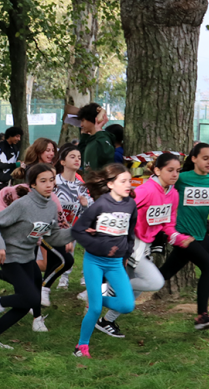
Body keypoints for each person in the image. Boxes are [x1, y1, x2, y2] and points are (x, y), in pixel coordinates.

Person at [94, 152, 188, 338]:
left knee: (137, 288)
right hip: (128, 244)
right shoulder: (147, 190)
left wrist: (176, 237)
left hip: (144, 247)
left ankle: (106, 320)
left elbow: (168, 223)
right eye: (170, 170)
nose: (175, 174)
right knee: (154, 282)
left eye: (178, 170)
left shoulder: (174, 194)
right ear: (157, 170)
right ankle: (105, 290)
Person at [0, 164, 73, 349]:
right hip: (10, 258)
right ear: (32, 184)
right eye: (43, 181)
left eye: (51, 180)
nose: (49, 184)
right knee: (30, 298)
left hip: (28, 258)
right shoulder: (23, 204)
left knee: (27, 302)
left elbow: (53, 236)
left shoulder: (51, 206)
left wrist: (76, 232)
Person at [71, 163, 137, 358]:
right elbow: (78, 230)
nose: (128, 185)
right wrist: (95, 245)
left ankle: (95, 300)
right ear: (110, 184)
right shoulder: (100, 204)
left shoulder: (130, 204)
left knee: (127, 305)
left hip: (116, 263)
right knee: (95, 308)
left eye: (130, 181)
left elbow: (130, 232)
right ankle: (81, 346)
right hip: (94, 262)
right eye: (123, 181)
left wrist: (127, 253)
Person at [160, 142, 209, 330]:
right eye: (205, 158)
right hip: (181, 233)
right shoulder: (181, 178)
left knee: (163, 275)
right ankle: (202, 316)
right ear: (194, 159)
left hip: (198, 235)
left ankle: (121, 288)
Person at [51, 144, 89, 293]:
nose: (77, 160)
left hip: (72, 224)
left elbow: (88, 211)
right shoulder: (54, 182)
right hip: (51, 226)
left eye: (79, 157)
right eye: (72, 157)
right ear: (62, 162)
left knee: (85, 242)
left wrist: (85, 205)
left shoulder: (81, 186)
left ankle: (74, 277)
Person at [78, 103, 114, 171]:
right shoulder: (90, 140)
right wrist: (84, 137)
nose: (81, 125)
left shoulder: (103, 139)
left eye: (83, 120)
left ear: (95, 119)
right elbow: (82, 160)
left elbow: (107, 156)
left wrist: (99, 129)